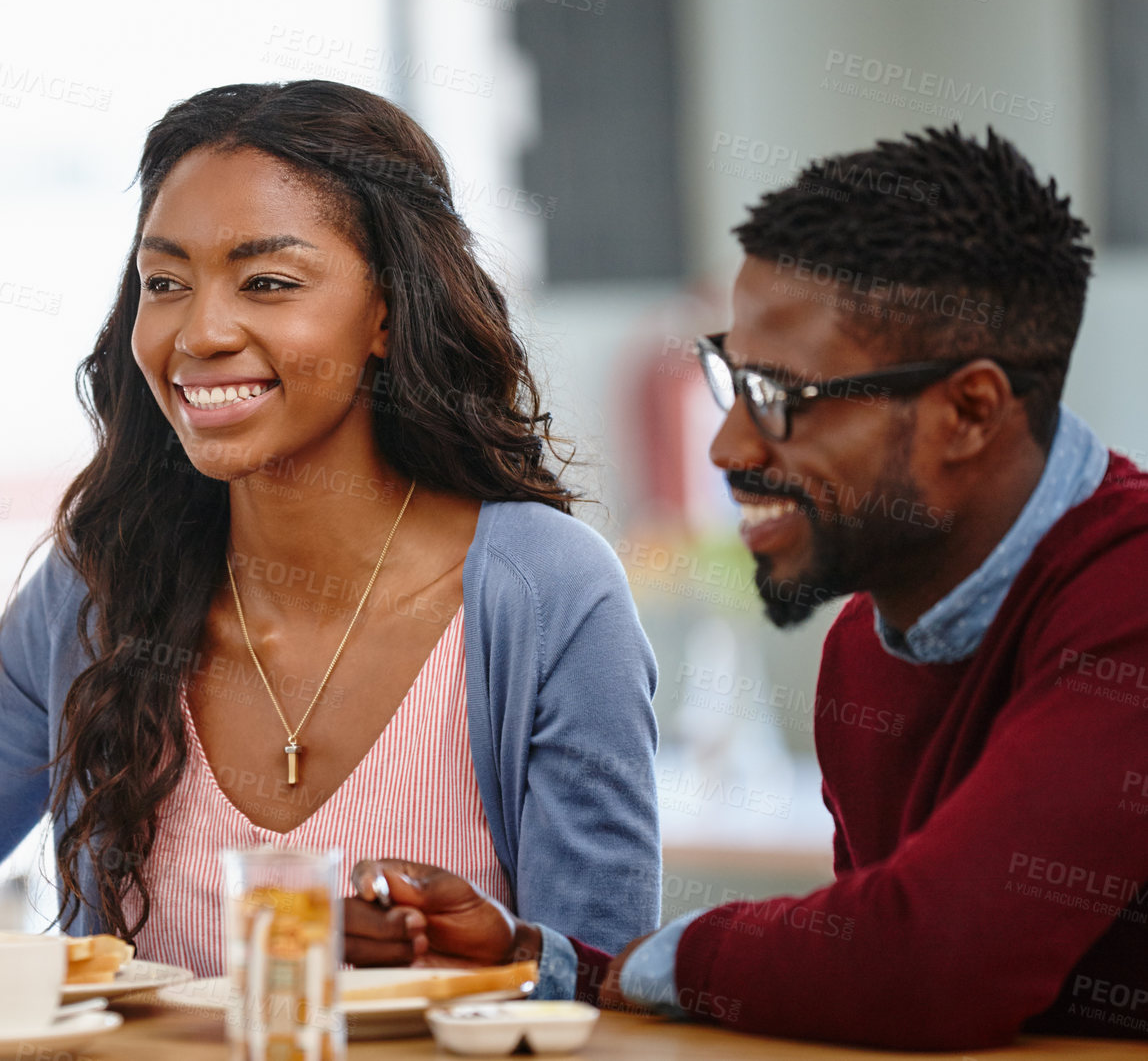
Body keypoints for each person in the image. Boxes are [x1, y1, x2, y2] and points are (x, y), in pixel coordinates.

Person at [0, 79, 662, 976]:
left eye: (268, 280)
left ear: (387, 311)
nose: (201, 330)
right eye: (163, 281)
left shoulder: (544, 592)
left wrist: (454, 951)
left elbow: (610, 986)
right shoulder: (98, 591)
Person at [347, 126, 1148, 1049]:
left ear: (968, 412)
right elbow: (871, 981)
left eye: (777, 398)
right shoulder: (867, 644)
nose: (728, 449)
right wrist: (545, 961)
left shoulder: (1126, 597)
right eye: (729, 381)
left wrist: (644, 966)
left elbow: (928, 964)